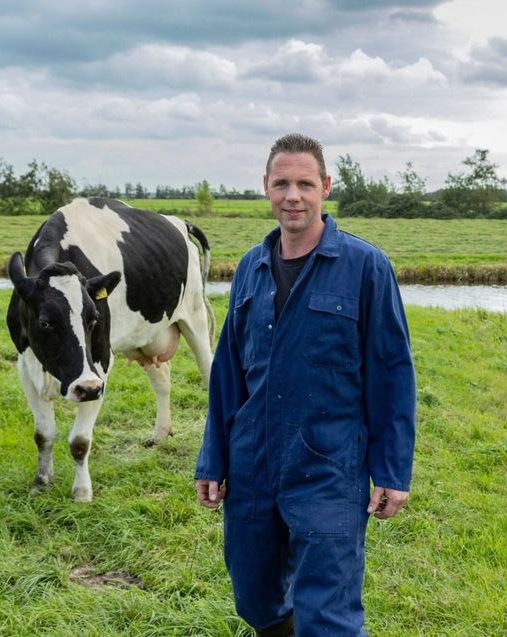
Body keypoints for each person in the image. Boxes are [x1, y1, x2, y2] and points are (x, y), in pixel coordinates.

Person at [194, 133, 416, 637]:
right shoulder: (251, 267)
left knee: (328, 616)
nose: (292, 195)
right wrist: (214, 457)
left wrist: (393, 470)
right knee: (256, 599)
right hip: (252, 465)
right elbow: (228, 372)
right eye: (282, 184)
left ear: (325, 188)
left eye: (304, 184)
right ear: (266, 188)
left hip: (328, 467)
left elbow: (392, 372)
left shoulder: (365, 267)